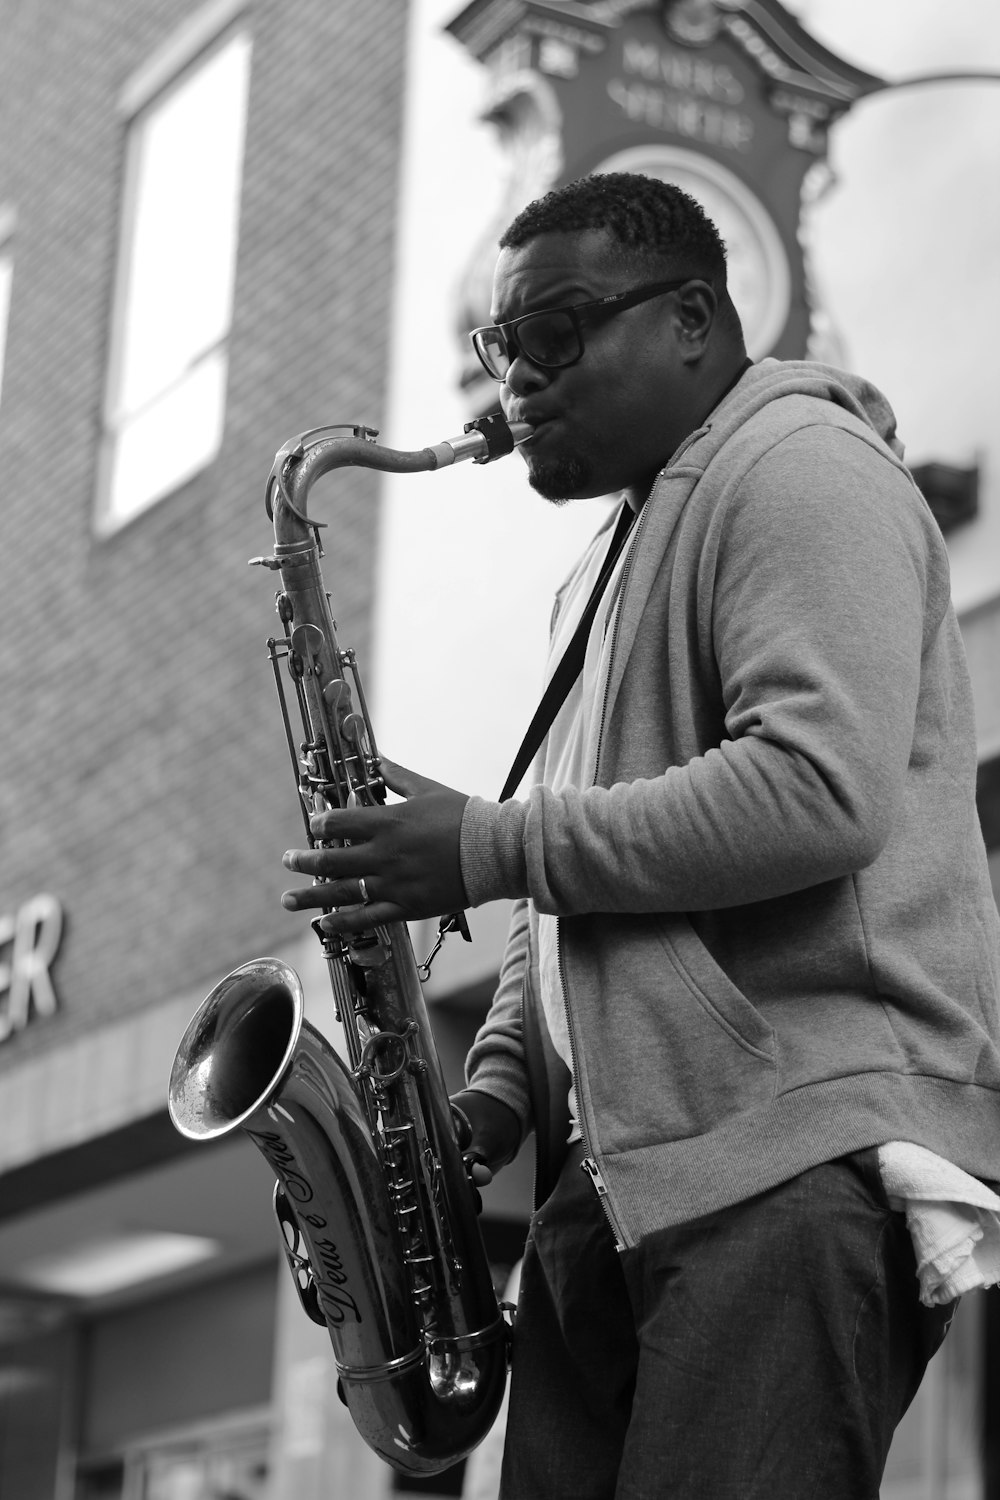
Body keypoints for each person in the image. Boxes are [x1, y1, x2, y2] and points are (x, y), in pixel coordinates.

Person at [280, 172, 1000, 1498]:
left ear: (690, 320)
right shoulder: (597, 573)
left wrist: (486, 848)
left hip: (783, 1159)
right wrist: (488, 1101)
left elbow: (818, 792)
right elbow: (566, 901)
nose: (520, 379)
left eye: (557, 332)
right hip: (617, 1183)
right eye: (505, 347)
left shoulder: (801, 469)